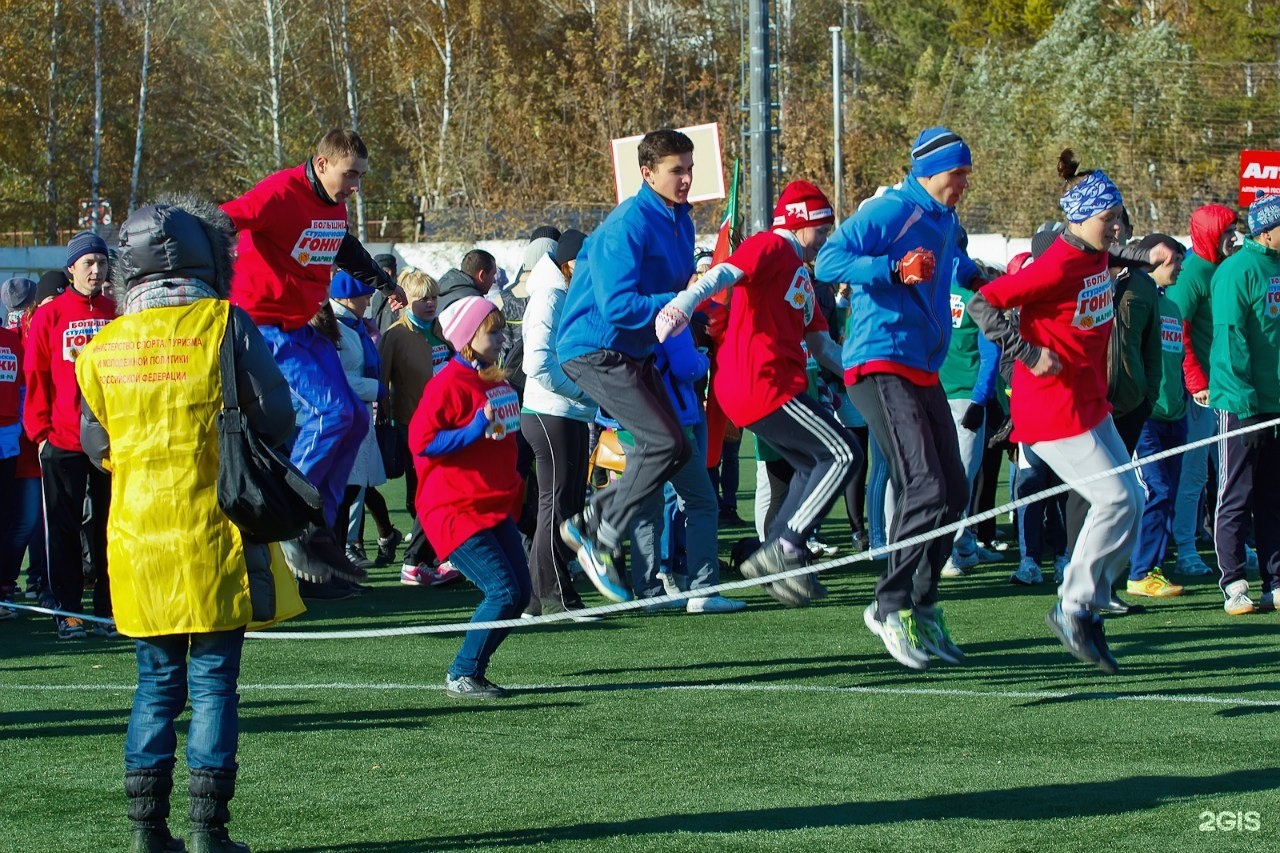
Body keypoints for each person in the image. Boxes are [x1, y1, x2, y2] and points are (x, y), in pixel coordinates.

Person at [75, 198, 298, 853]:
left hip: (138, 538)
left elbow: (96, 444)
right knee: (213, 685)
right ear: (210, 258)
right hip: (216, 531)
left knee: (153, 686)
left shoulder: (102, 346)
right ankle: (209, 832)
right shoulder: (225, 323)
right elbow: (278, 415)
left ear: (127, 268)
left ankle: (148, 831)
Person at [967, 149, 1145, 673]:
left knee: (1132, 499)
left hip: (1090, 403)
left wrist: (1146, 263)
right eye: (1108, 218)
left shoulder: (1093, 255)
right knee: (1113, 499)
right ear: (1080, 218)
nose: (1115, 227)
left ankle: (1089, 601)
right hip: (1051, 410)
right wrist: (1025, 352)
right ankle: (1072, 605)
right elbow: (984, 304)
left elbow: (1106, 265)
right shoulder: (1058, 262)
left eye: (1117, 217)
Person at [814, 128, 978, 667]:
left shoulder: (945, 220)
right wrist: (890, 269)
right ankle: (889, 604)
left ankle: (923, 605)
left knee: (954, 491)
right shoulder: (892, 211)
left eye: (965, 176)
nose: (963, 185)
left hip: (922, 367)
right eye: (957, 176)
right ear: (931, 173)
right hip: (879, 362)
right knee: (925, 484)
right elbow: (829, 261)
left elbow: (960, 271)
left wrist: (998, 285)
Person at [661, 179, 857, 607]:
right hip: (760, 384)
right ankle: (784, 549)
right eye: (822, 231)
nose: (824, 241)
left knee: (812, 465)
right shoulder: (773, 246)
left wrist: (865, 374)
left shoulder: (800, 272)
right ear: (802, 222)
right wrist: (683, 304)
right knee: (844, 454)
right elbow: (723, 272)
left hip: (770, 386)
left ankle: (781, 555)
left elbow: (822, 347)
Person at [221, 128, 404, 585]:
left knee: (357, 420)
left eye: (360, 176)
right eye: (350, 175)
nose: (356, 185)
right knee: (331, 415)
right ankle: (290, 517)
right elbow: (221, 219)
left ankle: (317, 526)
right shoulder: (280, 193)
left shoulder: (333, 205)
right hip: (263, 326)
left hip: (304, 325)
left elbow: (343, 247)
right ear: (322, 165)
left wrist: (384, 283)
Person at [556, 128, 697, 602]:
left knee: (674, 448)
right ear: (646, 173)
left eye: (689, 168)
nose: (686, 178)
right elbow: (617, 306)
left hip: (634, 351)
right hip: (594, 349)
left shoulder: (681, 220)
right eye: (676, 170)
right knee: (662, 442)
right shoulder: (627, 223)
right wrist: (680, 300)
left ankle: (591, 520)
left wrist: (700, 294)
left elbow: (676, 293)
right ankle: (602, 537)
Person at [409, 296, 530, 699]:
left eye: (501, 329)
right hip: (453, 509)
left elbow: (503, 439)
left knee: (520, 594)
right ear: (467, 338)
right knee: (504, 592)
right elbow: (421, 442)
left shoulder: (493, 379)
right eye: (492, 331)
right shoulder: (446, 383)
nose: (501, 337)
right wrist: (474, 429)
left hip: (491, 506)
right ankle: (462, 673)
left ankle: (471, 671)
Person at [23, 230, 118, 639]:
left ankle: (109, 609)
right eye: (88, 264)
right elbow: (36, 376)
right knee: (62, 527)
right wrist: (40, 432)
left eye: (101, 262)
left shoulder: (118, 312)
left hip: (112, 440)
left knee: (110, 526)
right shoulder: (50, 315)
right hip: (61, 439)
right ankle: (68, 610)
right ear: (72, 270)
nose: (96, 270)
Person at [520, 229, 600, 618]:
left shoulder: (561, 293)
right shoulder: (549, 296)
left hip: (563, 412)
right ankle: (554, 595)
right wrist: (583, 391)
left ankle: (540, 597)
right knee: (556, 505)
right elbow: (535, 362)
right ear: (571, 264)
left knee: (563, 504)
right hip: (552, 412)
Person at [1208, 191, 1280, 616]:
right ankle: (1234, 581)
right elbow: (1231, 343)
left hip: (1276, 402)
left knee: (1275, 492)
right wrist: (1247, 408)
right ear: (1268, 230)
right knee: (1237, 492)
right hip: (1242, 405)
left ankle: (1275, 579)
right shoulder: (1237, 271)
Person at [1168, 204, 1240, 576]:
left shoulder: (1230, 266)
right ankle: (1184, 549)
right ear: (1210, 233)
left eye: (1234, 230)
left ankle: (1236, 546)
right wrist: (1197, 383)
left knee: (1230, 474)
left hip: (1229, 389)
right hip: (1203, 394)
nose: (1234, 238)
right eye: (1226, 231)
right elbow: (1177, 330)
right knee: (1195, 472)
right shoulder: (1193, 273)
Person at [379, 269, 460, 586]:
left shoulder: (440, 331)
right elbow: (381, 384)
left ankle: (428, 559)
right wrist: (388, 422)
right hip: (415, 427)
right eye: (422, 298)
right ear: (404, 302)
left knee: (439, 492)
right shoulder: (396, 336)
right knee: (432, 493)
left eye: (433, 297)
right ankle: (418, 561)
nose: (429, 303)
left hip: (449, 424)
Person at [1124, 235, 1190, 599]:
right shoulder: (1137, 300)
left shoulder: (1174, 309)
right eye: (1174, 261)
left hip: (1174, 416)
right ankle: (1138, 571)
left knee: (1169, 494)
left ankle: (1152, 568)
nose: (1179, 268)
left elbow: (1175, 362)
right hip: (1146, 417)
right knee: (1155, 491)